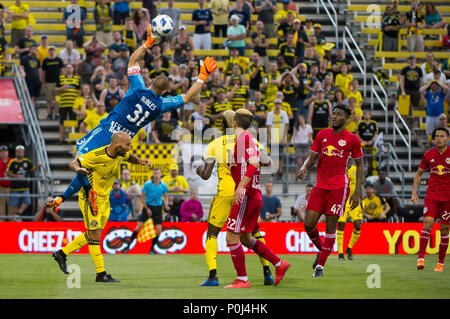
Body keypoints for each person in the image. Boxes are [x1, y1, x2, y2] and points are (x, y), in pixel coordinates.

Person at [47, 27, 218, 211]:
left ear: (151, 82)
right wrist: (201, 77)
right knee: (90, 168)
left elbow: (133, 60)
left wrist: (148, 42)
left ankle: (88, 191)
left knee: (80, 159)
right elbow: (187, 97)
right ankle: (62, 198)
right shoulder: (162, 104)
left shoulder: (138, 87)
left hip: (108, 131)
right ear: (166, 91)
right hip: (124, 141)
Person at [52, 131, 151, 282]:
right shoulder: (96, 156)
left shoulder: (119, 153)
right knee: (95, 236)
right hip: (90, 199)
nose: (130, 148)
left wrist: (140, 161)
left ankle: (62, 253)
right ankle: (101, 274)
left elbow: (129, 157)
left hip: (105, 200)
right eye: (127, 145)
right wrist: (77, 169)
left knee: (94, 234)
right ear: (117, 145)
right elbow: (74, 162)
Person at [196, 110, 276, 286]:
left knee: (212, 233)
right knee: (253, 232)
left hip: (225, 193)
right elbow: (266, 161)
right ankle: (267, 271)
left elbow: (206, 175)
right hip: (246, 192)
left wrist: (198, 170)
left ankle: (213, 275)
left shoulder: (215, 143)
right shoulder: (250, 140)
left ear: (224, 125)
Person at [224, 108, 290, 288]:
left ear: (235, 124)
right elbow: (268, 161)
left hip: (246, 195)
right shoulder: (251, 139)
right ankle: (279, 264)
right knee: (245, 238)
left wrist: (240, 186)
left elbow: (254, 164)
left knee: (231, 237)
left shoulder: (244, 138)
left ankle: (242, 279)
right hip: (254, 195)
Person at [297, 104, 364, 277]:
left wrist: (356, 192)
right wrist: (304, 168)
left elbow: (360, 166)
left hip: (339, 188)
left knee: (330, 228)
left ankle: (320, 267)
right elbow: (312, 158)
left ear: (346, 118)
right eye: (333, 114)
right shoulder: (322, 135)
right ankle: (323, 250)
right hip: (320, 186)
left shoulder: (352, 139)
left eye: (338, 114)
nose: (334, 117)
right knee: (308, 223)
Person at [412, 127, 450, 272]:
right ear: (434, 139)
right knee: (427, 224)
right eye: (437, 136)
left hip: (448, 199)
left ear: (447, 138)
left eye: (442, 136)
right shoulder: (428, 155)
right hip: (432, 196)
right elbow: (418, 174)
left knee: (444, 229)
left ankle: (440, 263)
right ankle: (420, 258)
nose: (439, 138)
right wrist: (414, 192)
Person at [127, 167, 169, 253]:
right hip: (148, 207)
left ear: (160, 175)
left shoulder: (163, 185)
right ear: (153, 174)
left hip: (158, 208)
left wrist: (166, 204)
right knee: (138, 227)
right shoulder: (147, 184)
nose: (157, 175)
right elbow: (142, 197)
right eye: (155, 174)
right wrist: (147, 208)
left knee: (158, 230)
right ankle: (127, 246)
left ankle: (152, 249)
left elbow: (166, 195)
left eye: (158, 174)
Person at [7, 145, 42, 221]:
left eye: (21, 152)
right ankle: (17, 218)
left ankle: (18, 214)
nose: (20, 153)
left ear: (23, 153)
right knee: (14, 204)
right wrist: (17, 176)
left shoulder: (27, 161)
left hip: (25, 186)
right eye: (18, 152)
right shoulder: (12, 162)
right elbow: (8, 173)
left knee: (27, 201)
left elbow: (32, 169)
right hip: (14, 188)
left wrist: (38, 166)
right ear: (16, 153)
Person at [336, 163, 363, 261]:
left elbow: (358, 186)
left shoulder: (356, 169)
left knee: (358, 225)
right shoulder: (338, 168)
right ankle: (340, 253)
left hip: (354, 201)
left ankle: (349, 248)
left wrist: (362, 201)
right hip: (342, 201)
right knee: (341, 225)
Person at [55, 63, 80, 144]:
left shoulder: (77, 79)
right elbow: (55, 89)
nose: (69, 69)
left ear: (73, 69)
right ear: (65, 69)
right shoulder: (61, 78)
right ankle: (61, 139)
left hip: (73, 105)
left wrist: (77, 102)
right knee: (62, 122)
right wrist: (62, 88)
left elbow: (79, 91)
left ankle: (72, 139)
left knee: (73, 122)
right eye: (67, 68)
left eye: (70, 68)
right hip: (63, 104)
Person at [266, 98, 289, 179]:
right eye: (276, 103)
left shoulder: (284, 114)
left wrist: (285, 137)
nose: (277, 105)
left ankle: (280, 174)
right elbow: (268, 126)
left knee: (280, 158)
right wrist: (271, 138)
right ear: (274, 104)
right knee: (273, 157)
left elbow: (286, 126)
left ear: (281, 105)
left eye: (279, 104)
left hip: (281, 138)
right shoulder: (270, 114)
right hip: (273, 139)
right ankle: (272, 174)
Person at [41, 46, 64, 120]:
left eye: (53, 50)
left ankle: (56, 113)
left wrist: (62, 82)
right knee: (49, 100)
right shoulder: (45, 60)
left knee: (57, 100)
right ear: (48, 51)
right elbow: (43, 72)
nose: (51, 52)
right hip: (48, 82)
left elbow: (62, 71)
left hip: (57, 83)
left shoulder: (59, 60)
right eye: (50, 50)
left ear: (55, 51)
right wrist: (43, 83)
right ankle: (48, 114)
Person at [399, 54, 423, 119]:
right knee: (404, 108)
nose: (412, 60)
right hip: (407, 89)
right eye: (410, 59)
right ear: (408, 60)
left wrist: (421, 90)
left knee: (415, 107)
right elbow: (401, 80)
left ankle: (415, 123)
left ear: (415, 60)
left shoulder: (419, 69)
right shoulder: (405, 69)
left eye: (413, 59)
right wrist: (403, 91)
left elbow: (421, 81)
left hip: (415, 90)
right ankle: (404, 123)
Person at [357, 110, 378, 177]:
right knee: (362, 162)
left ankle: (370, 174)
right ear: (363, 115)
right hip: (363, 146)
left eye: (368, 114)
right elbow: (357, 134)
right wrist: (362, 141)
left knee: (371, 162)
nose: (367, 116)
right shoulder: (360, 123)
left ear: (370, 116)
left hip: (371, 146)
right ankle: (362, 176)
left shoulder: (374, 123)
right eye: (365, 114)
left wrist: (372, 141)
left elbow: (375, 134)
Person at [20, 45, 41, 109]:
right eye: (32, 49)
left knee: (35, 97)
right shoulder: (24, 58)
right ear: (29, 50)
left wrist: (40, 80)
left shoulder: (37, 59)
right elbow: (21, 67)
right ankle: (32, 112)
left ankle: (33, 110)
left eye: (35, 49)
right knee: (31, 96)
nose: (34, 50)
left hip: (37, 80)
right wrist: (23, 72)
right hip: (29, 80)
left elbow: (39, 69)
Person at [0, 145, 11, 221]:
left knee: (11, 207)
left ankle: (11, 224)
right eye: (2, 152)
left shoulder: (12, 161)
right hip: (1, 187)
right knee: (1, 207)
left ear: (8, 152)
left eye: (5, 151)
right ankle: (1, 224)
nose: (4, 153)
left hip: (11, 187)